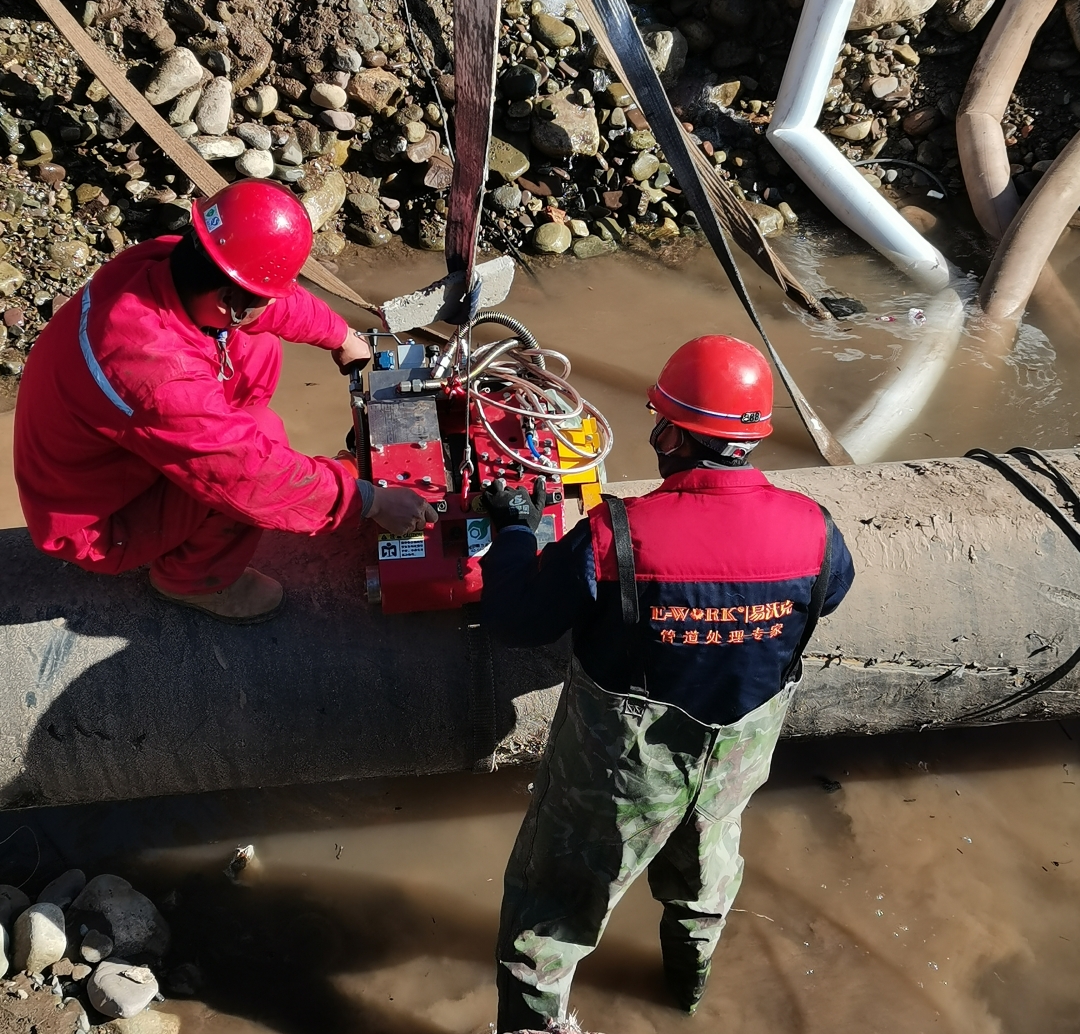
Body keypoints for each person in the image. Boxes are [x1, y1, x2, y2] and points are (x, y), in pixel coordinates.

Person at [481, 334, 855, 1030]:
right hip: (736, 766)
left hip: (621, 777)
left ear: (672, 435)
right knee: (702, 885)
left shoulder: (619, 535)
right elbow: (825, 598)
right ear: (750, 439)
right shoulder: (816, 530)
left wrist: (515, 533)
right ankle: (685, 996)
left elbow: (516, 620)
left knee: (550, 915)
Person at [14, 178, 436, 624]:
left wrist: (339, 333)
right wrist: (370, 501)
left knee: (257, 346)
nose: (269, 304)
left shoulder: (168, 262)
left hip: (115, 454)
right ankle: (192, 579)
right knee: (261, 441)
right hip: (94, 525)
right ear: (228, 300)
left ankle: (219, 439)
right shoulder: (156, 374)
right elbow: (252, 477)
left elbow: (264, 303)